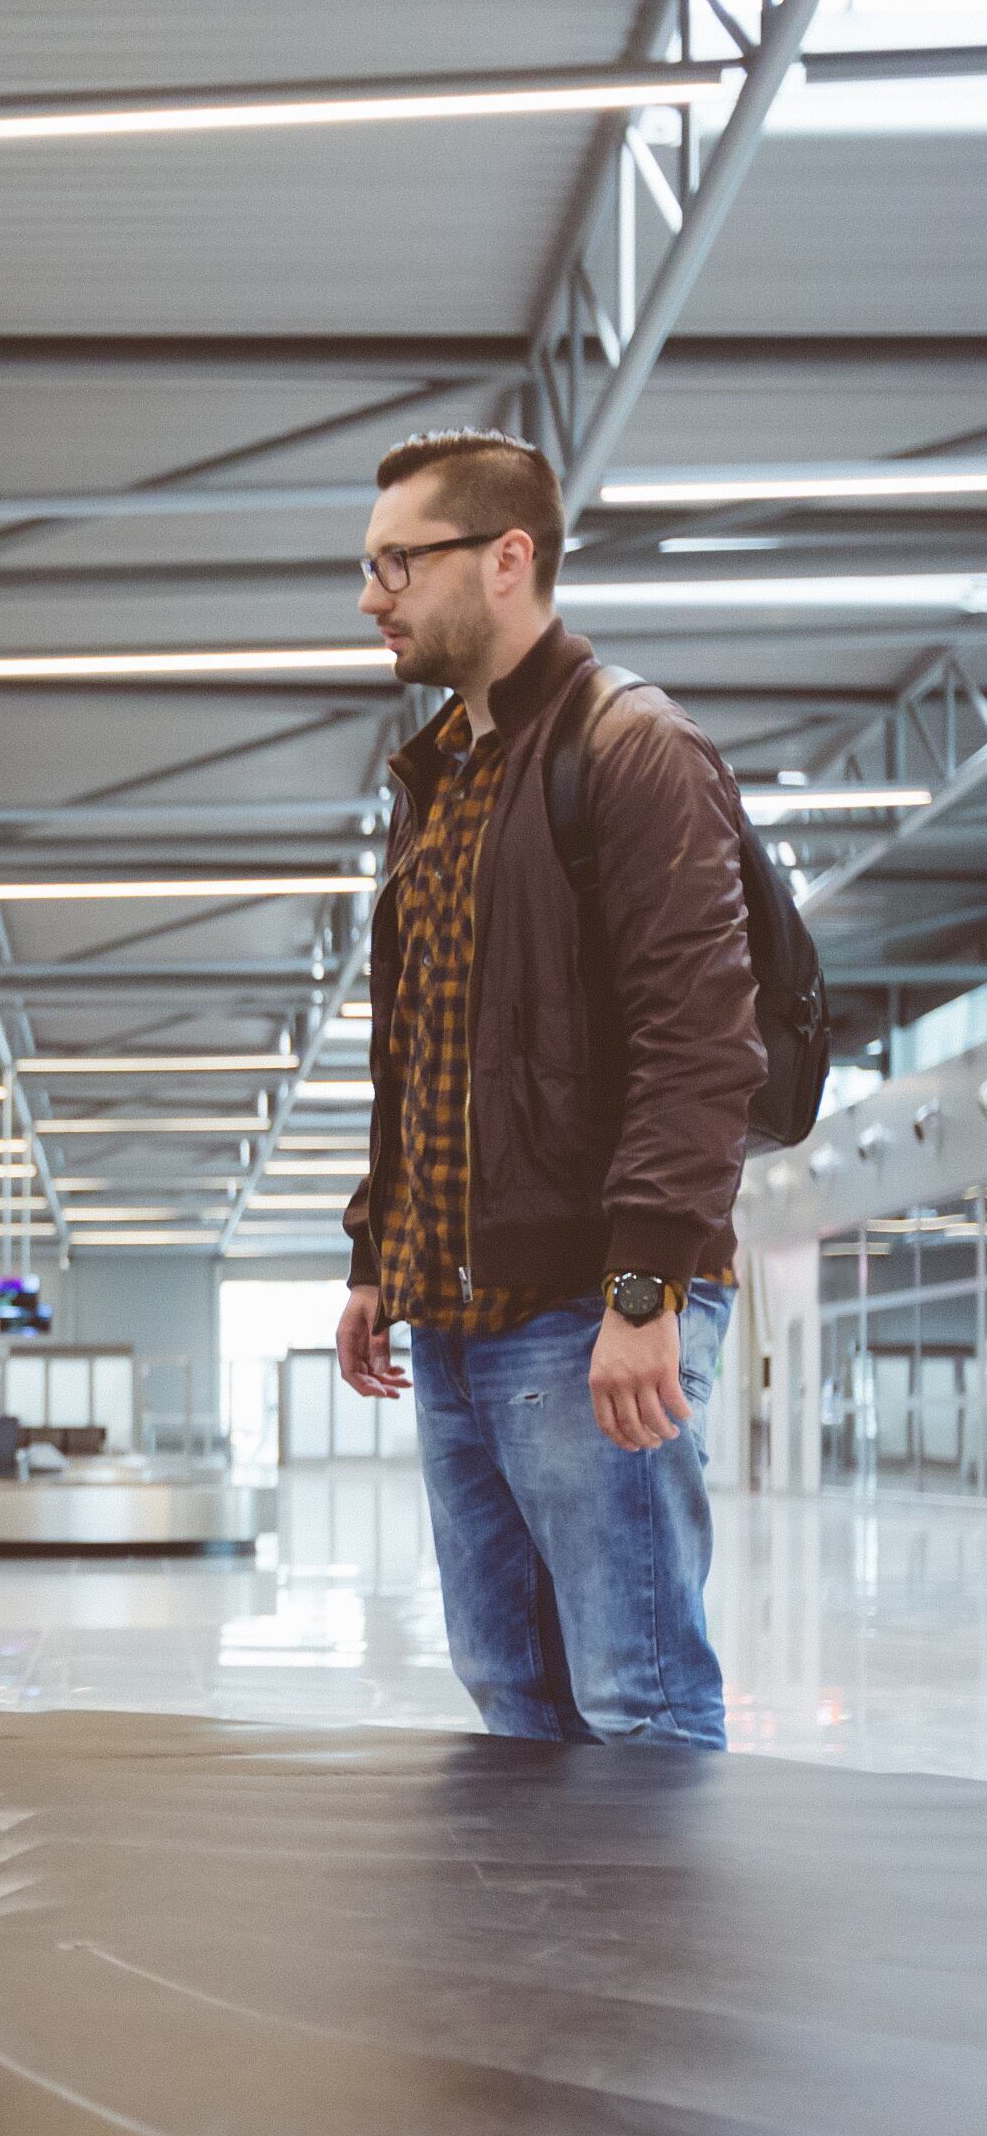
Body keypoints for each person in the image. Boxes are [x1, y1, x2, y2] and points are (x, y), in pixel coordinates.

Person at [338, 430, 758, 1752]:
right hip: (453, 1321)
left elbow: (699, 1039)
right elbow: (415, 1050)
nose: (372, 595)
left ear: (506, 559)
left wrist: (644, 1292)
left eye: (398, 562)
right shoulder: (441, 780)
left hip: (587, 1311)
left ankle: (654, 1969)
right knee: (511, 1702)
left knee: (635, 1702)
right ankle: (542, 1973)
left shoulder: (632, 750)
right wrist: (373, 1252)